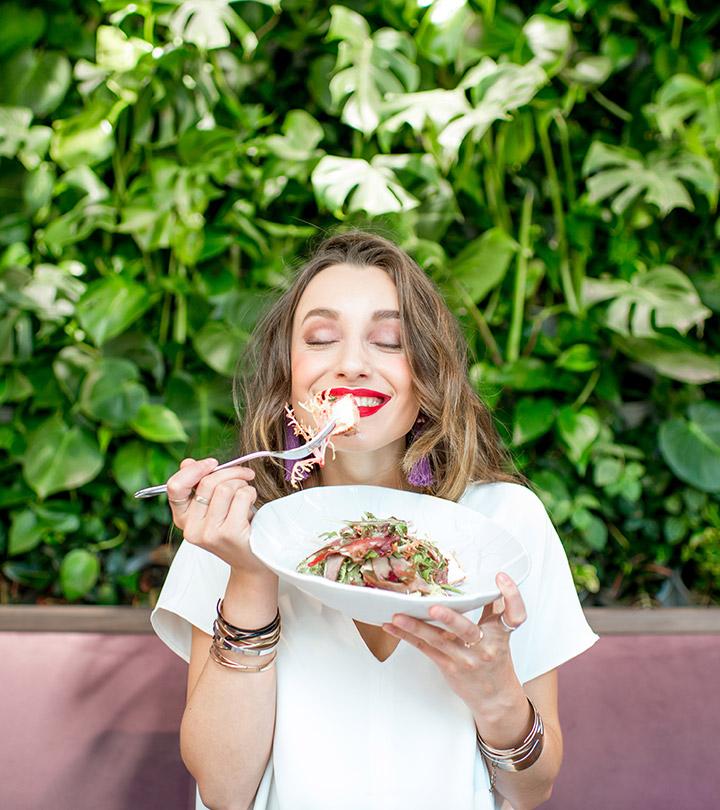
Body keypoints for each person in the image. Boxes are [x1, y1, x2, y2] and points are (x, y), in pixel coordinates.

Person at [152, 230, 599, 810]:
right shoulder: (232, 523)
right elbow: (223, 788)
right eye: (320, 338)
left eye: (388, 341)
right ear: (288, 371)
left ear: (428, 370)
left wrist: (497, 697)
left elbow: (533, 790)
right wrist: (252, 572)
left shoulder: (504, 524)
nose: (353, 363)